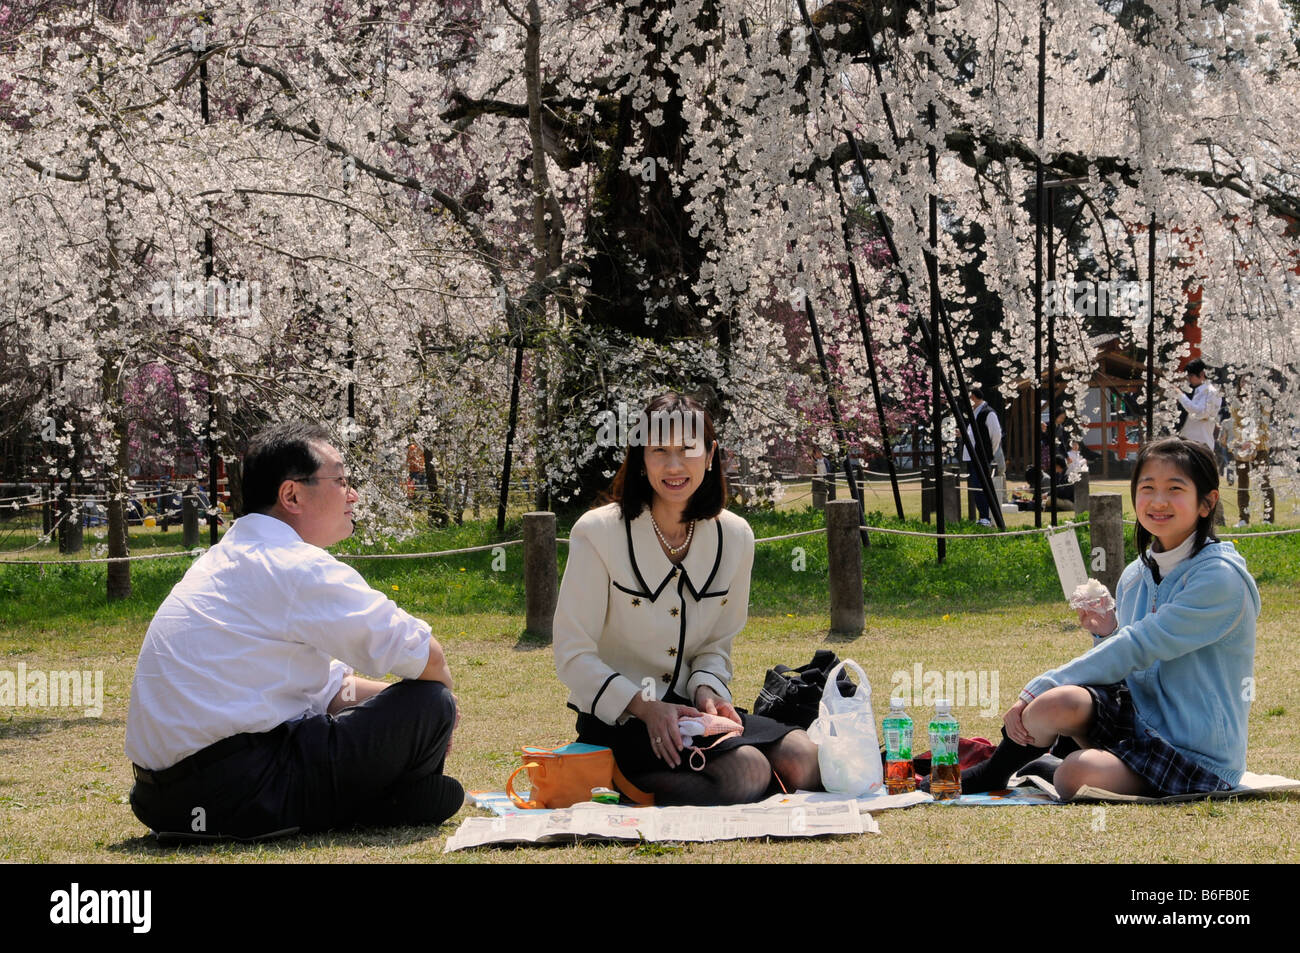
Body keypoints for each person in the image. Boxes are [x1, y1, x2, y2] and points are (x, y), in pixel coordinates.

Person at [125, 420, 462, 840]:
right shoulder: (293, 564)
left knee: (421, 706)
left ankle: (388, 796)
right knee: (430, 703)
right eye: (340, 480)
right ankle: (389, 797)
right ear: (292, 495)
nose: (352, 494)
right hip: (244, 789)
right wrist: (437, 711)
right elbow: (423, 653)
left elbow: (330, 690)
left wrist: (398, 709)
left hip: (163, 802)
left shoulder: (225, 559)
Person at [952, 437, 1259, 799]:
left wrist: (1039, 683)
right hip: (1137, 729)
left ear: (1206, 502)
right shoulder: (1135, 575)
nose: (1158, 501)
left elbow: (1140, 646)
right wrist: (1107, 634)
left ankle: (1054, 764)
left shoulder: (1219, 579)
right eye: (1147, 488)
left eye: (1175, 489)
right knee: (1055, 703)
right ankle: (996, 772)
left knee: (1073, 775)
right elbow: (1130, 666)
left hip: (1196, 757)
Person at [553, 393, 821, 804]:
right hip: (621, 718)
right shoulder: (597, 533)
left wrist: (709, 693)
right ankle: (621, 781)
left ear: (710, 454)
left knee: (805, 759)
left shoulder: (735, 536)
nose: (674, 466)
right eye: (659, 450)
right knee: (746, 771)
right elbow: (573, 655)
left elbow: (715, 647)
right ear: (641, 457)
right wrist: (645, 708)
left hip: (696, 718)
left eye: (688, 449)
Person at [962, 387, 1002, 526]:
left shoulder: (987, 412)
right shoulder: (974, 412)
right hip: (971, 456)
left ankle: (986, 517)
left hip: (981, 455)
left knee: (981, 486)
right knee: (975, 486)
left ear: (973, 397)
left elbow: (996, 435)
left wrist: (989, 452)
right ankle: (983, 517)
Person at [1175, 358, 1222, 451]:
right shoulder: (1194, 390)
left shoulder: (1212, 392)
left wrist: (1180, 396)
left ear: (1201, 374)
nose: (1189, 379)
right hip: (1186, 440)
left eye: (1191, 376)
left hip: (1201, 443)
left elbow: (1200, 413)